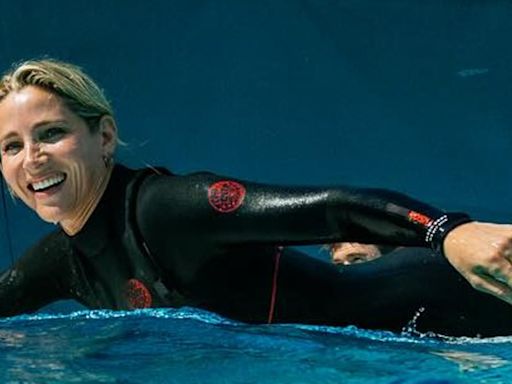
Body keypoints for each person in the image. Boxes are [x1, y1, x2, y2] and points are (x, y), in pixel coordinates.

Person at [1, 59, 512, 337]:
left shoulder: (167, 208)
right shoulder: (62, 260)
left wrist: (448, 233)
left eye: (51, 134)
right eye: (12, 146)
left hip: (443, 307)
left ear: (105, 138)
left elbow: (333, 207)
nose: (33, 158)